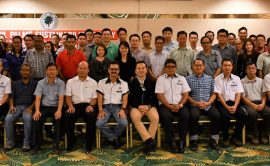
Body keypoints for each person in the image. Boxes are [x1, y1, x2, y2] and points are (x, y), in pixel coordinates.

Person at [155, 58, 190, 153]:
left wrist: (180, 104)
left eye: (173, 67)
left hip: (180, 105)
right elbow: (159, 95)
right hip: (165, 105)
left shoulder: (182, 78)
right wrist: (169, 106)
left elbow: (186, 94)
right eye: (168, 67)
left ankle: (181, 141)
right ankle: (172, 142)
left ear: (176, 68)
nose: (171, 69)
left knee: (185, 115)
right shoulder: (160, 79)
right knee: (166, 117)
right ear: (165, 68)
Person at [186, 58, 220, 151]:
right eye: (196, 65)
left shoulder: (210, 78)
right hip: (194, 104)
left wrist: (208, 102)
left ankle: (213, 139)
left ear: (204, 67)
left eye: (200, 65)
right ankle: (194, 140)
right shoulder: (187, 79)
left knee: (216, 116)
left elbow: (214, 93)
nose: (198, 67)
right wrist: (195, 103)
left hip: (207, 104)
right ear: (193, 67)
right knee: (193, 116)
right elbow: (186, 95)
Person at [32, 63, 65, 154]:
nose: (51, 71)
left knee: (59, 119)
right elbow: (38, 98)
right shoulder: (41, 82)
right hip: (43, 107)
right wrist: (37, 111)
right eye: (49, 70)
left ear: (57, 72)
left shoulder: (61, 83)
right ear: (46, 72)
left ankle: (56, 144)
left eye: (53, 69)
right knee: (36, 118)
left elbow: (61, 98)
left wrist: (59, 111)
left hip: (55, 107)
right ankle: (37, 145)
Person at [65, 61, 98, 152]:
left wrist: (91, 105)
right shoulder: (70, 82)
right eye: (80, 68)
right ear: (77, 69)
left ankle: (89, 142)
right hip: (74, 106)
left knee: (92, 116)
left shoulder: (93, 82)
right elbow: (68, 97)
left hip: (88, 105)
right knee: (68, 116)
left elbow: (94, 98)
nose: (82, 70)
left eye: (85, 68)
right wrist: (70, 106)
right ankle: (72, 140)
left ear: (88, 70)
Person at [214, 58, 247, 147]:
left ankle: (235, 136)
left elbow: (238, 93)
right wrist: (226, 107)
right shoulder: (217, 79)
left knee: (243, 115)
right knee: (225, 116)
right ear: (222, 67)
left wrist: (235, 106)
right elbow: (219, 95)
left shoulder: (236, 78)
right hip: (222, 104)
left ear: (232, 67)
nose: (227, 67)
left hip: (234, 103)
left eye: (229, 65)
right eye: (225, 65)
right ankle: (225, 138)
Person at [4, 64, 37, 152]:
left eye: (27, 70)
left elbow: (37, 98)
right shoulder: (15, 83)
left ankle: (26, 144)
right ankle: (10, 143)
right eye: (23, 70)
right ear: (20, 72)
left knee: (27, 119)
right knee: (8, 119)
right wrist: (11, 106)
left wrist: (31, 108)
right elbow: (12, 97)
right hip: (17, 107)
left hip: (29, 107)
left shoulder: (35, 83)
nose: (25, 72)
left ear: (30, 72)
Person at [96, 61, 129, 149]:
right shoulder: (101, 82)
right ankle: (114, 139)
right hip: (105, 107)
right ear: (108, 70)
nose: (114, 71)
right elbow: (99, 97)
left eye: (116, 69)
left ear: (119, 70)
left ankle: (109, 138)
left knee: (124, 123)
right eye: (112, 69)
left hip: (118, 107)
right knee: (99, 123)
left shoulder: (124, 83)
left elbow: (125, 98)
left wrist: (123, 109)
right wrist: (100, 110)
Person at [129, 61, 159, 154]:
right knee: (135, 117)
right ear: (135, 70)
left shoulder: (152, 81)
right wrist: (138, 106)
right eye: (138, 68)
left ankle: (147, 144)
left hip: (150, 106)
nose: (141, 70)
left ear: (146, 70)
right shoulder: (131, 82)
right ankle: (149, 141)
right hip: (136, 107)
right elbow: (130, 98)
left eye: (143, 68)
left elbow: (155, 97)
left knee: (155, 118)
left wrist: (149, 106)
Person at [241, 61, 270, 145]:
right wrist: (252, 105)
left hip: (260, 102)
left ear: (256, 70)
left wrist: (263, 104)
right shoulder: (242, 81)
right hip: (248, 104)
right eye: (249, 68)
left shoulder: (261, 81)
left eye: (253, 68)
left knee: (268, 112)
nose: (251, 70)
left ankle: (264, 135)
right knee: (252, 114)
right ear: (246, 70)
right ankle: (255, 135)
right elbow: (242, 98)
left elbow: (264, 95)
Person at [0, 60, 11, 126]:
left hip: (2, 104)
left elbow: (6, 95)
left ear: (2, 68)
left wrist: (0, 103)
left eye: (0, 66)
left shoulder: (7, 80)